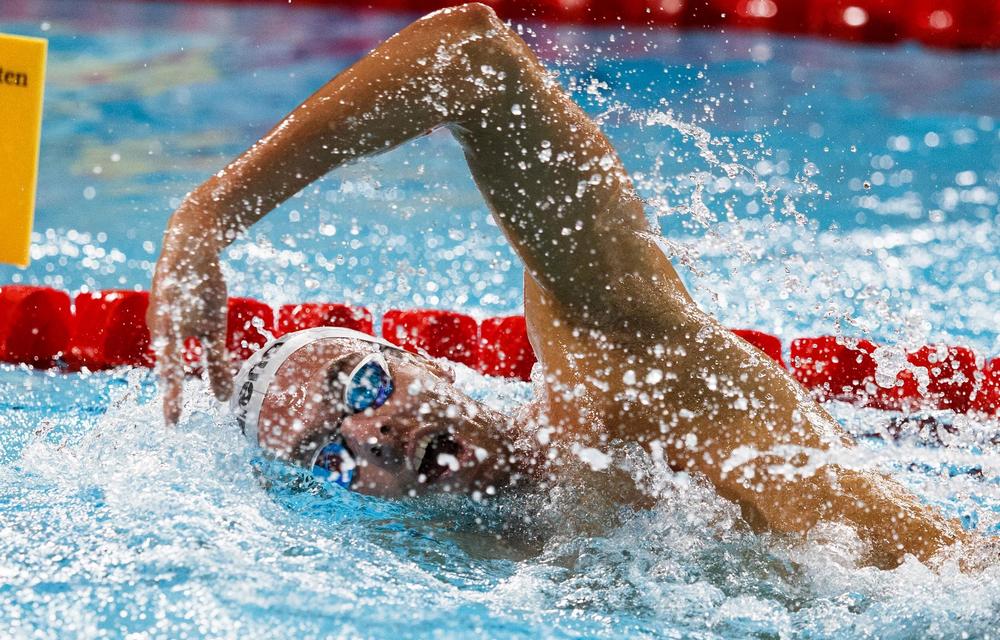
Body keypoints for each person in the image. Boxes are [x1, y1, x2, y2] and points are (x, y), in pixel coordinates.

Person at [149, 2, 967, 569]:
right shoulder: (488, 572)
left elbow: (470, 59)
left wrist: (210, 214)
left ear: (425, 363)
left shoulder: (613, 360)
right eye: (329, 457)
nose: (374, 436)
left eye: (361, 385)